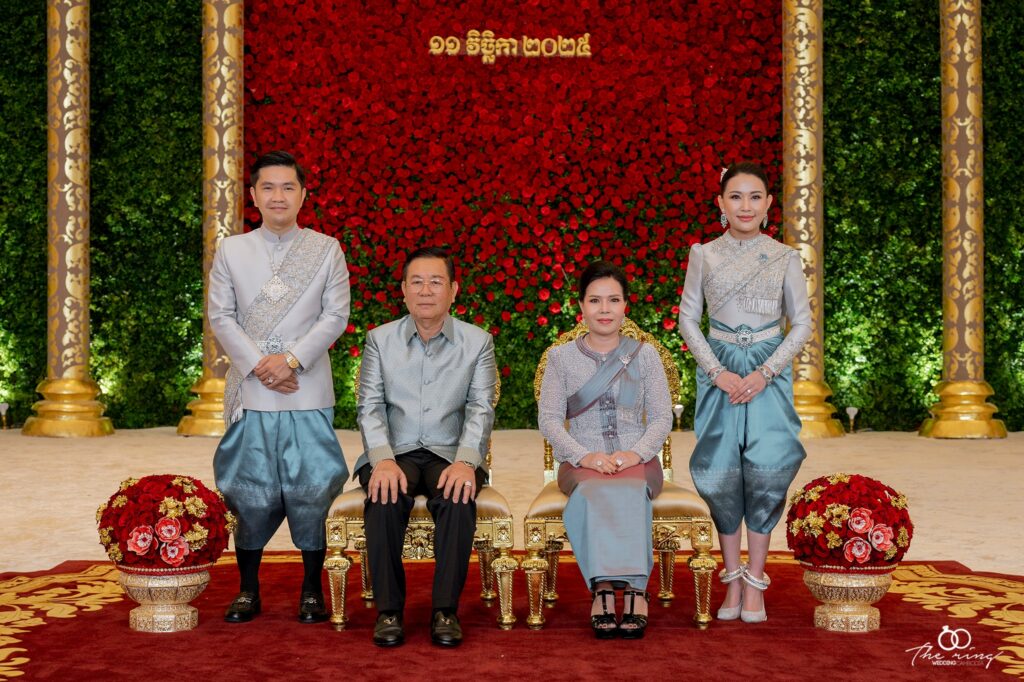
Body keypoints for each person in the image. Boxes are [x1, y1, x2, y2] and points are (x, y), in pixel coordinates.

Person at [209, 150, 351, 625]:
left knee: (312, 487)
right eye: (268, 187)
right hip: (251, 391)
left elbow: (336, 316)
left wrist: (289, 360)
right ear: (253, 195)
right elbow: (220, 316)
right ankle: (248, 589)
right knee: (247, 489)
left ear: (303, 195)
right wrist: (260, 365)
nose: (278, 196)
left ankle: (312, 590)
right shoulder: (232, 250)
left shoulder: (326, 249)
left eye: (288, 187)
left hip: (305, 390)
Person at [678, 161, 811, 623]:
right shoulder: (703, 254)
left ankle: (756, 582)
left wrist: (766, 372)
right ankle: (731, 579)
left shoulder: (785, 257)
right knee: (719, 468)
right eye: (736, 196)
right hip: (720, 371)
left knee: (768, 466)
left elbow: (803, 323)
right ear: (720, 203)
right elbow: (688, 319)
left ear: (769, 203)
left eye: (755, 197)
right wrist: (717, 372)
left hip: (767, 373)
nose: (746, 206)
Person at [354, 246, 497, 648]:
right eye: (416, 282)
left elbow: (481, 408)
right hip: (394, 451)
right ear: (403, 290)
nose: (426, 290)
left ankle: (444, 610)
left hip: (449, 452)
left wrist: (467, 461)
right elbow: (369, 406)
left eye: (436, 282)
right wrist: (381, 459)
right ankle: (388, 611)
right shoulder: (380, 339)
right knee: (384, 496)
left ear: (453, 290)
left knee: (457, 497)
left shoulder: (477, 342)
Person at [538, 261, 672, 640]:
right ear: (581, 305)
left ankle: (635, 590)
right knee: (594, 489)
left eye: (613, 300)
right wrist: (585, 456)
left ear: (625, 305)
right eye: (595, 300)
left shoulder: (646, 355)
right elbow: (549, 420)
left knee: (630, 487)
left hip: (638, 460)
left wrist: (636, 453)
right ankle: (602, 590)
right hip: (580, 461)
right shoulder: (560, 358)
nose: (604, 309)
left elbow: (661, 417)